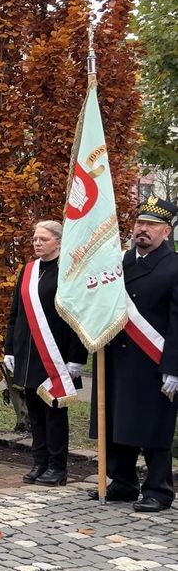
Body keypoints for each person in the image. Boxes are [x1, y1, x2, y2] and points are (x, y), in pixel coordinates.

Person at [88, 198, 178, 512]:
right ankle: (123, 482)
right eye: (140, 223)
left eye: (151, 225)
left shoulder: (173, 266)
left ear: (166, 231)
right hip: (117, 357)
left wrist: (174, 368)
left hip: (154, 361)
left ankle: (159, 490)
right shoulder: (120, 263)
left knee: (154, 426)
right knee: (117, 421)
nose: (143, 230)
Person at [3, 221, 84, 487]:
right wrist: (10, 348)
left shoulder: (68, 271)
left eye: (44, 239)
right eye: (35, 239)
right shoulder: (28, 271)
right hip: (28, 352)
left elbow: (76, 318)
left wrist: (76, 357)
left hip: (56, 354)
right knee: (35, 411)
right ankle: (39, 462)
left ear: (58, 242)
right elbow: (15, 313)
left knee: (54, 413)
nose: (37, 243)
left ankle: (57, 467)